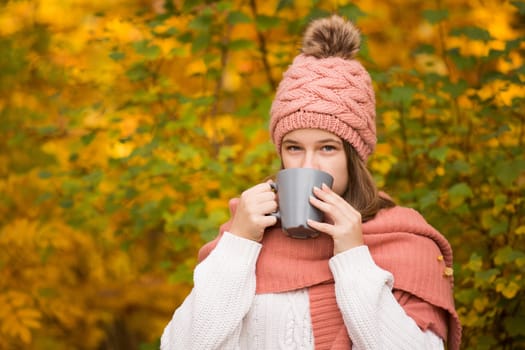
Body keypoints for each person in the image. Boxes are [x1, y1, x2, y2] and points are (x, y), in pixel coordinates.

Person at [160, 15, 462, 350]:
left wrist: (353, 256)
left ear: (354, 155)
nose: (308, 165)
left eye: (327, 148)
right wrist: (239, 244)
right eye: (294, 148)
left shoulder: (405, 242)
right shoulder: (245, 236)